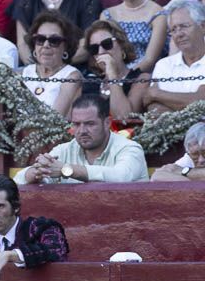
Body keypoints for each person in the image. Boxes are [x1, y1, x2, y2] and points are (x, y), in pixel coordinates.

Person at [18, 93, 149, 183]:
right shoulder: (65, 150)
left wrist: (67, 170)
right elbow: (18, 180)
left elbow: (121, 177)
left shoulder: (130, 148)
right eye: (76, 124)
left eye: (90, 124)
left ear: (107, 123)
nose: (82, 131)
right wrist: (36, 173)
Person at [101, 0, 168, 74]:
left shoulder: (158, 15)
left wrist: (126, 77)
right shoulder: (107, 15)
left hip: (144, 78)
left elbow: (149, 60)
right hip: (111, 75)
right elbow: (102, 53)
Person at [144, 0, 205, 115]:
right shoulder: (164, 65)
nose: (179, 34)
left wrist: (156, 94)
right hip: (169, 131)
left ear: (202, 27)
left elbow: (200, 101)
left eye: (184, 26)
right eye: (173, 29)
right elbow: (152, 106)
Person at [81, 19, 151, 119]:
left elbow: (124, 118)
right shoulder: (90, 82)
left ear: (122, 45)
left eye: (107, 44)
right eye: (94, 48)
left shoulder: (141, 79)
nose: (101, 51)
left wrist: (112, 75)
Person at [19, 12, 83, 116]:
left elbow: (55, 118)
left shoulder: (71, 76)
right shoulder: (22, 73)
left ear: (66, 46)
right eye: (40, 39)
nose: (46, 45)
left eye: (54, 41)